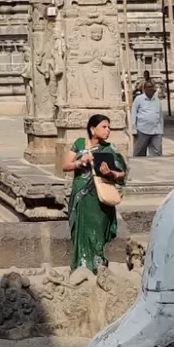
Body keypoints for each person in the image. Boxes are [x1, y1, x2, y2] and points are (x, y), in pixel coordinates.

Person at [64, 111, 126, 273]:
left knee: (98, 229)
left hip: (99, 197)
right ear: (92, 129)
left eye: (109, 127)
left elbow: (122, 174)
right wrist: (80, 162)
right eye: (104, 127)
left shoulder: (110, 149)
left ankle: (98, 262)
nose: (108, 130)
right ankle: (82, 265)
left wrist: (110, 173)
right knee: (82, 231)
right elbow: (65, 166)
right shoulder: (79, 144)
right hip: (81, 197)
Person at [130, 76, 164, 158]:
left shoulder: (157, 101)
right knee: (139, 153)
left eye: (152, 87)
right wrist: (134, 129)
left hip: (156, 131)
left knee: (157, 152)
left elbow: (160, 116)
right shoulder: (139, 99)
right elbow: (133, 114)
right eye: (148, 88)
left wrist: (161, 130)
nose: (150, 89)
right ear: (144, 89)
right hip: (142, 130)